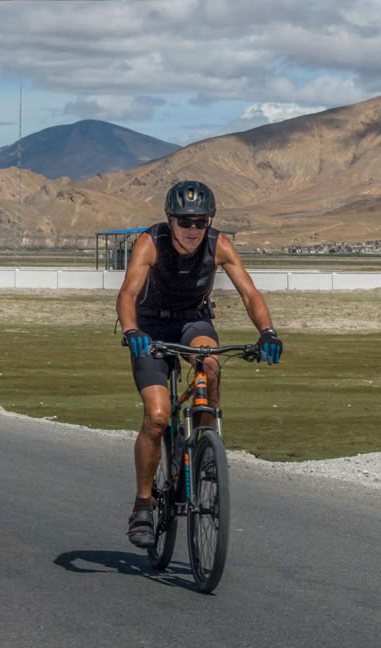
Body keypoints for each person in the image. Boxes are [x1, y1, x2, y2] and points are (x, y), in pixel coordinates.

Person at [116, 180, 283, 548]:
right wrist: (131, 330)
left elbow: (249, 292)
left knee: (210, 362)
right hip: (150, 326)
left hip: (192, 320)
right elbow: (127, 292)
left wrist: (268, 331)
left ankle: (207, 443)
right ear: (169, 219)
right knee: (158, 417)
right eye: (185, 221)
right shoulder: (150, 242)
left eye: (201, 222)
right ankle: (143, 504)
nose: (193, 230)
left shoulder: (219, 244)